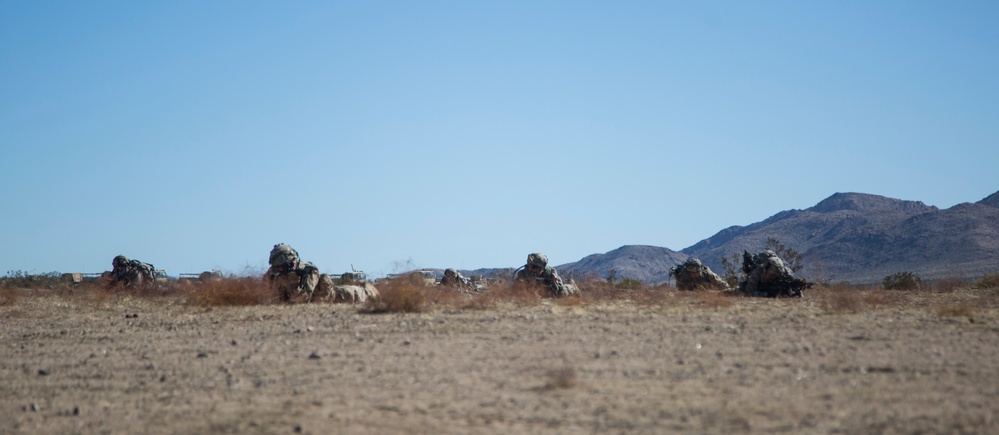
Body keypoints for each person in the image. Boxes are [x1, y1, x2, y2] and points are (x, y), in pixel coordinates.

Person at [739, 250, 808, 297]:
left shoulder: (786, 273)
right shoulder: (756, 272)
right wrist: (767, 294)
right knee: (739, 291)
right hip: (755, 287)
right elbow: (749, 293)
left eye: (775, 275)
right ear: (765, 270)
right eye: (771, 275)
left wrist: (796, 291)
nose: (772, 277)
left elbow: (792, 287)